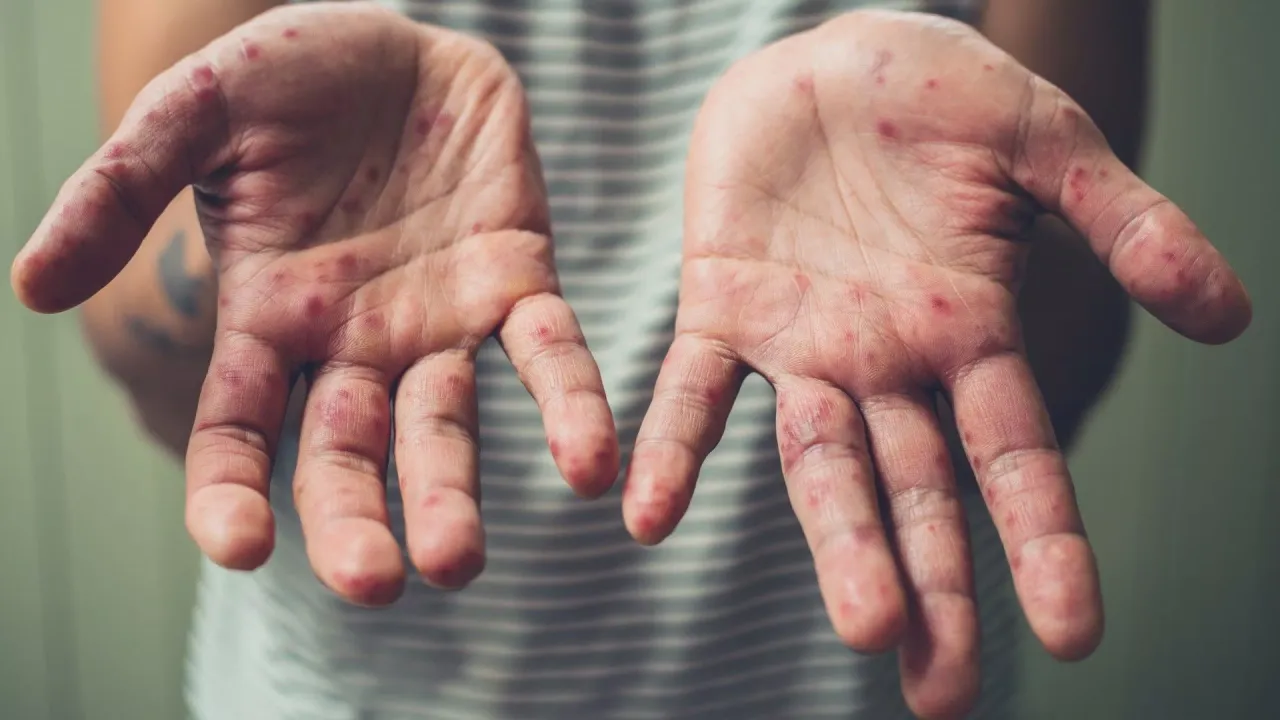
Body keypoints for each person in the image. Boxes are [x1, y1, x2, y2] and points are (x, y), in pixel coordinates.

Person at [11, 0, 1250, 718]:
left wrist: (962, 218)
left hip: (862, 680)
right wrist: (247, 268)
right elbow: (160, 347)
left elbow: (1047, 363)